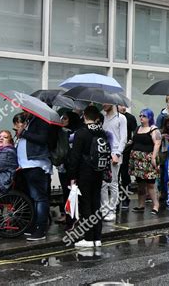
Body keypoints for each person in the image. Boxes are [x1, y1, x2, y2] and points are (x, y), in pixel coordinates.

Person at [68, 106, 106, 247]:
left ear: (84, 116)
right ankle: (97, 238)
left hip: (84, 172)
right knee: (96, 204)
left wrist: (72, 175)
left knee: (86, 205)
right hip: (98, 171)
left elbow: (75, 156)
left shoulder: (81, 133)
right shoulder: (101, 132)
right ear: (96, 117)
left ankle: (88, 238)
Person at [17, 113, 52, 241]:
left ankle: (40, 230)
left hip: (36, 165)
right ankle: (33, 227)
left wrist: (24, 133)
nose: (23, 110)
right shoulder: (30, 120)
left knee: (40, 199)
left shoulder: (42, 120)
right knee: (33, 199)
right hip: (27, 166)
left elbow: (42, 138)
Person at [129, 109, 162, 215]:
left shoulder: (153, 129)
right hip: (137, 159)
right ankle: (141, 205)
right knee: (140, 184)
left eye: (144, 116)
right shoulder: (138, 128)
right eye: (140, 115)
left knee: (150, 185)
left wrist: (153, 158)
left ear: (150, 117)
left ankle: (156, 205)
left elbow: (157, 144)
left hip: (147, 158)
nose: (141, 118)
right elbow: (133, 140)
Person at [101, 104, 127, 222]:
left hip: (115, 153)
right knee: (103, 184)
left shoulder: (121, 118)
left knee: (113, 183)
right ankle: (104, 209)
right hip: (103, 153)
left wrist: (117, 154)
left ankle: (112, 210)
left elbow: (123, 138)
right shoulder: (102, 117)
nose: (103, 104)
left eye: (106, 102)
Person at [57, 111, 82, 228]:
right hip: (63, 166)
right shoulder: (61, 132)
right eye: (61, 118)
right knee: (65, 191)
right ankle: (67, 216)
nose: (62, 120)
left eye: (65, 118)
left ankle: (73, 218)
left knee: (73, 192)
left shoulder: (77, 132)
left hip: (74, 167)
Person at [117, 105, 138, 210]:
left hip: (126, 149)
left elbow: (135, 132)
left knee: (124, 174)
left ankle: (125, 198)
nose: (123, 108)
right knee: (114, 176)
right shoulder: (113, 117)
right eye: (121, 106)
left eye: (125, 106)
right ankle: (115, 198)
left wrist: (131, 141)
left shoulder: (130, 118)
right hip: (115, 149)